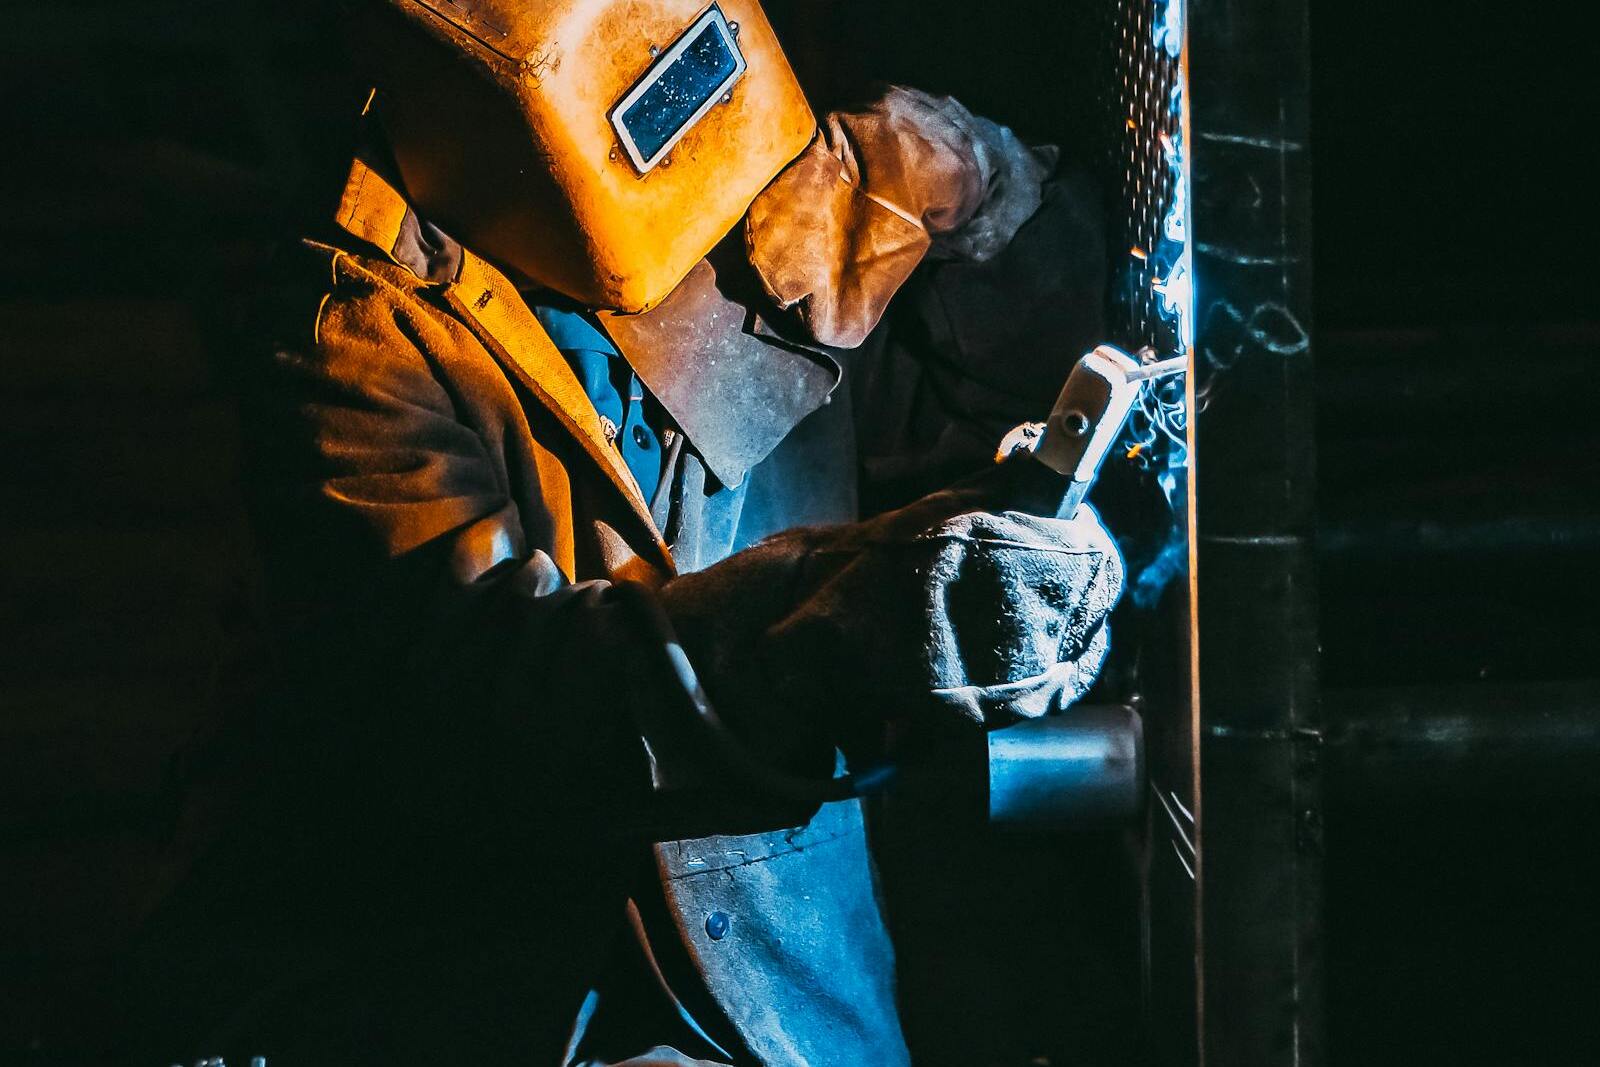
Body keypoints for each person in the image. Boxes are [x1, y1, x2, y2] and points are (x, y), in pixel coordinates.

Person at [132, 2, 1122, 1063]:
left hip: (782, 978)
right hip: (512, 986)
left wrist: (985, 205)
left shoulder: (732, 153)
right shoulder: (355, 337)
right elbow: (503, 680)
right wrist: (851, 607)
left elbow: (962, 420)